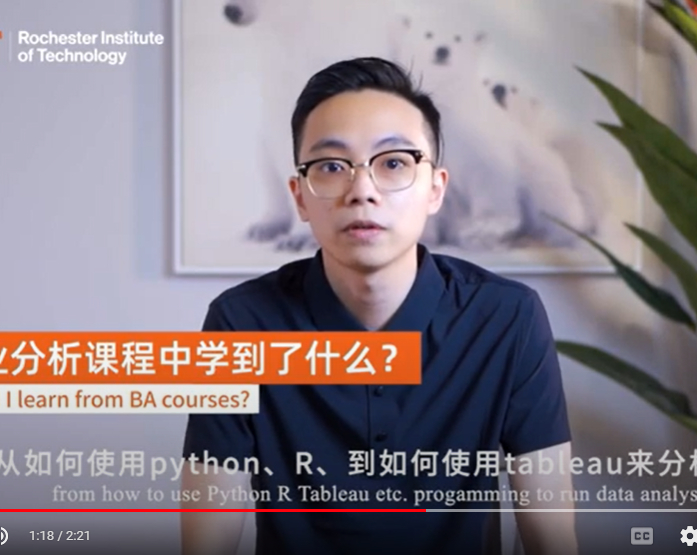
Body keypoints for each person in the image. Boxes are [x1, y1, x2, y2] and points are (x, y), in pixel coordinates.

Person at [180, 57, 578, 555]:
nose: (362, 191)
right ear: (299, 198)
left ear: (436, 189)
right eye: (331, 166)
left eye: (393, 163)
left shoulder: (506, 319)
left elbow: (552, 537)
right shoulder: (241, 324)